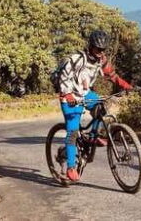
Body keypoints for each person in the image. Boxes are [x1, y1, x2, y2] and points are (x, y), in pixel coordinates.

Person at [54, 30, 133, 182]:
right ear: (90, 46)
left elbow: (112, 75)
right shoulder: (77, 59)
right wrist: (67, 94)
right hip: (69, 97)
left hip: (85, 94)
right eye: (98, 49)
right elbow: (64, 75)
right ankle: (71, 167)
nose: (100, 53)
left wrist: (125, 85)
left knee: (101, 107)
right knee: (72, 132)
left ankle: (92, 137)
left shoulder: (101, 61)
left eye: (103, 50)